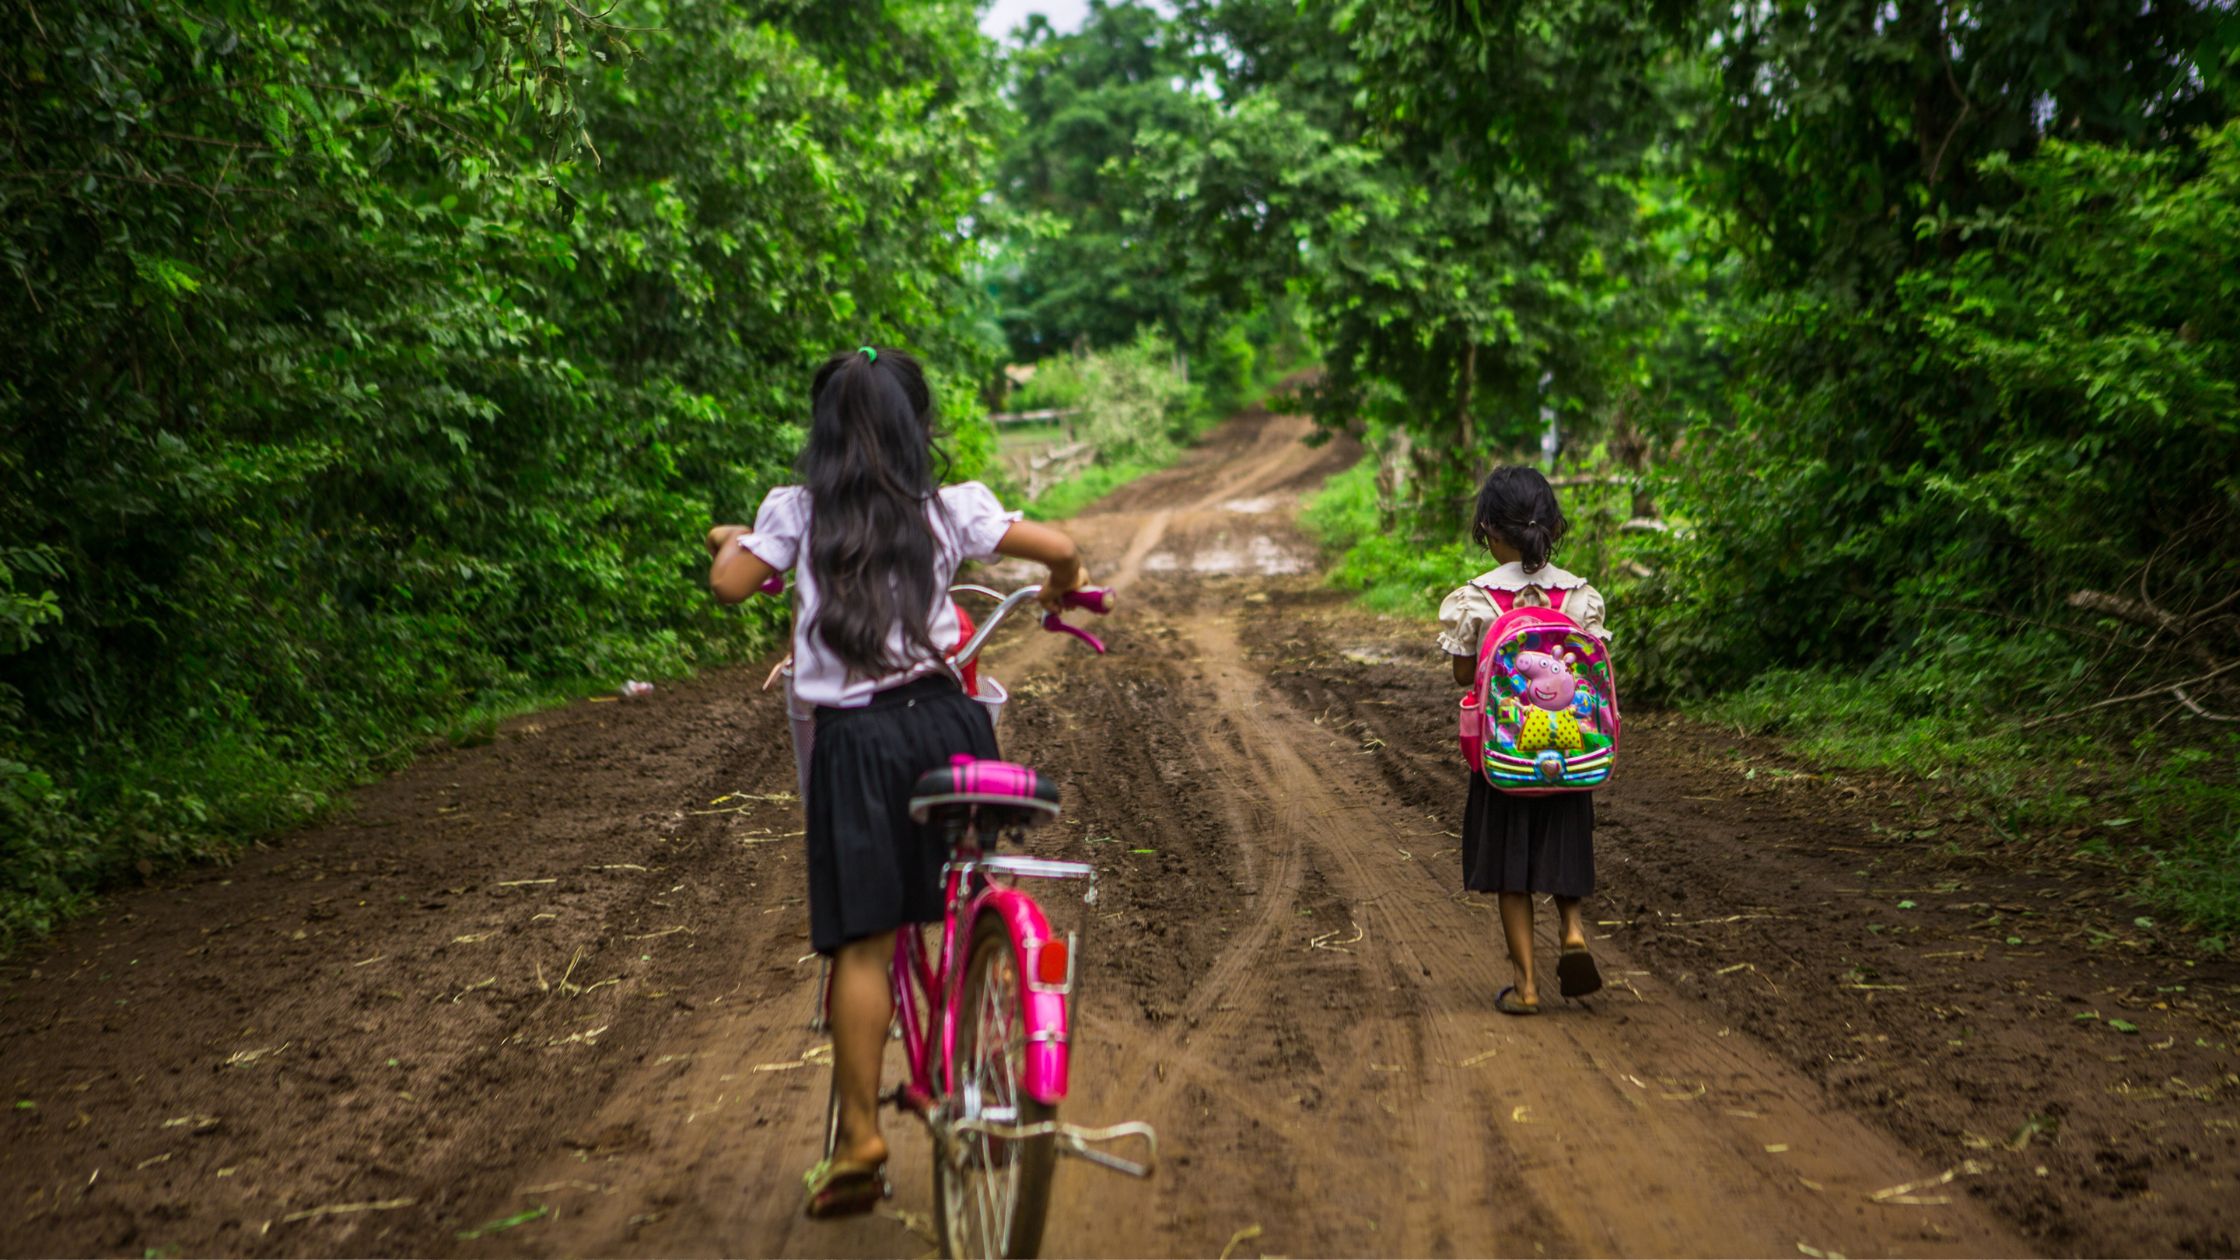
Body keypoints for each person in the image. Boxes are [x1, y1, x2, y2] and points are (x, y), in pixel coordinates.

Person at [703, 345, 1088, 1217]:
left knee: (865, 945)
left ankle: (861, 1139)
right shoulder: (949, 509)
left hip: (859, 745)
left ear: (823, 434)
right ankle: (980, 1014)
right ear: (920, 429)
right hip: (950, 725)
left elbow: (731, 585)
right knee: (954, 882)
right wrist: (1068, 583)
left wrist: (740, 542)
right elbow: (1059, 549)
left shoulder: (796, 512)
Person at [1438, 466, 1610, 1015]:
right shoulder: (1582, 599)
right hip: (1571, 758)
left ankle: (1527, 987)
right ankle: (1574, 930)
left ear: (1489, 530)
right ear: (1552, 526)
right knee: (1564, 851)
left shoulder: (1474, 601)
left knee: (1512, 873)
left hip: (1503, 759)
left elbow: (1465, 677)